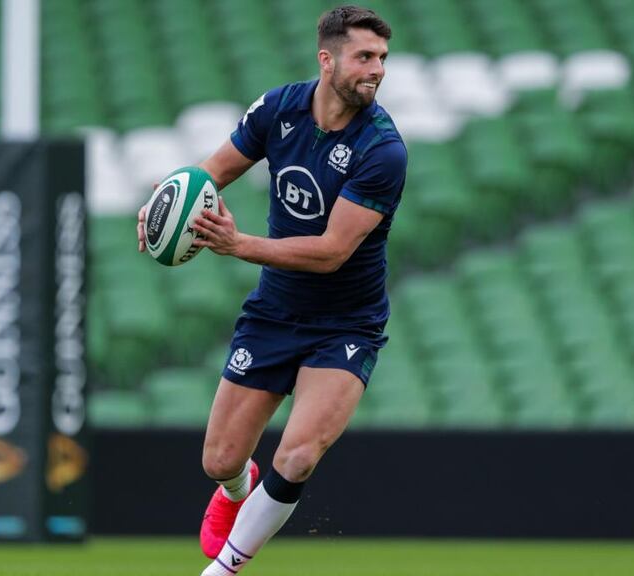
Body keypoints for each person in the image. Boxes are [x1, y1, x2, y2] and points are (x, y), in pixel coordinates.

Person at [137, 6, 406, 575]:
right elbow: (211, 170)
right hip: (276, 313)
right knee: (219, 460)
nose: (376, 69)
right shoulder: (279, 106)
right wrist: (162, 202)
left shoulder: (382, 149)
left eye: (382, 58)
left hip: (346, 325)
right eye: (364, 56)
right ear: (327, 59)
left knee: (300, 453)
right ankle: (238, 491)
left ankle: (225, 569)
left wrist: (240, 246)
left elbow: (333, 252)